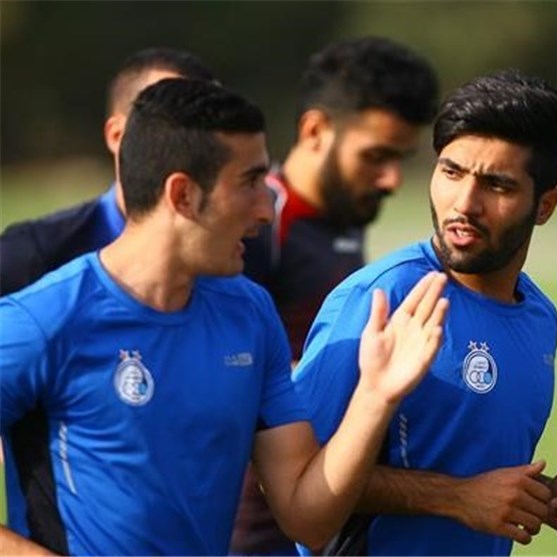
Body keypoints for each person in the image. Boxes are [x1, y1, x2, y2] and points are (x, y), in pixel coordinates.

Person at [0, 78, 449, 556]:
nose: (267, 208)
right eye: (250, 182)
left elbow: (307, 519)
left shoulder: (250, 315)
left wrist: (374, 397)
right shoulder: (43, 321)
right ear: (183, 195)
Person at [291, 69, 557, 556]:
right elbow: (296, 480)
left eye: (497, 185)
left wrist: (546, 499)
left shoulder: (539, 317)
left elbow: (471, 474)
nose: (464, 203)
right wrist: (455, 498)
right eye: (452, 172)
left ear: (545, 205)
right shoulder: (382, 297)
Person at [233, 36, 439, 555]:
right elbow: (225, 369)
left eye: (401, 158)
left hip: (326, 524)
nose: (392, 179)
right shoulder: (258, 226)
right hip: (255, 535)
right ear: (315, 130)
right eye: (376, 156)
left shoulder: (342, 220)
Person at [0, 47, 217, 296]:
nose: (195, 147)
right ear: (117, 136)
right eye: (176, 127)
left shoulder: (239, 255)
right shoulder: (30, 260)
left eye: (208, 130)